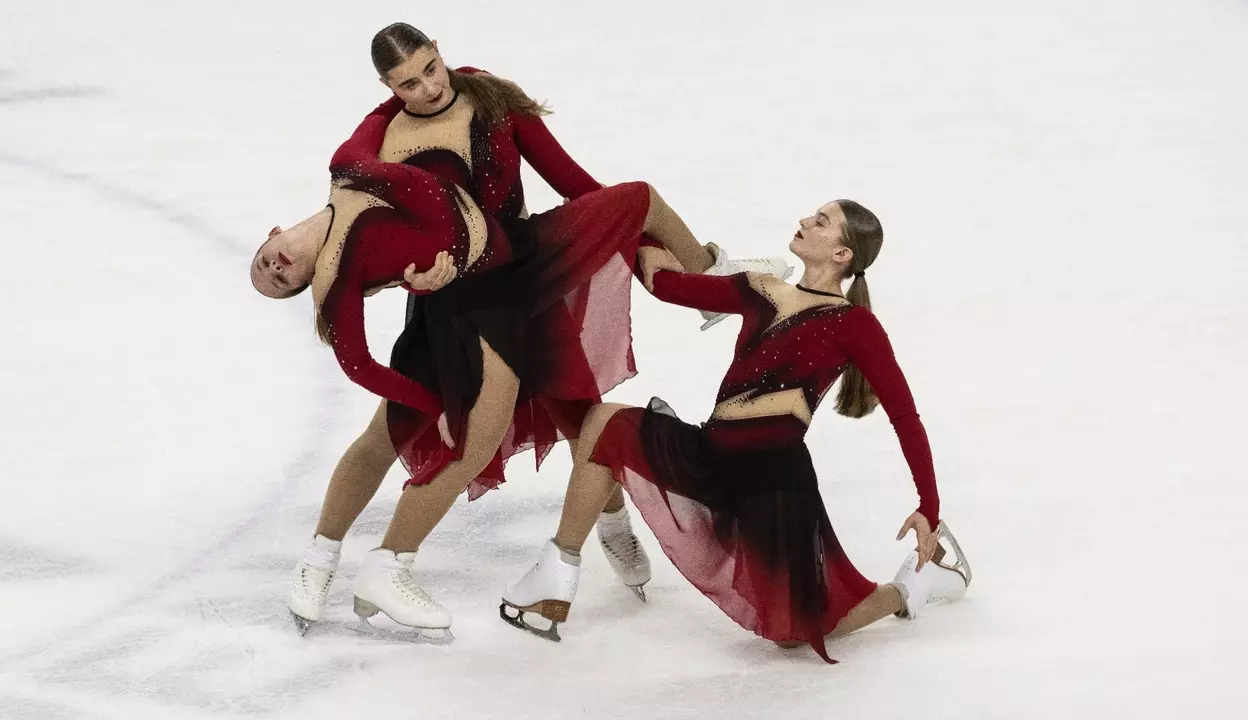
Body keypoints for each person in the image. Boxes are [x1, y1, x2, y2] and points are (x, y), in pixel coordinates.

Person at [251, 22, 792, 637]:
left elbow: (569, 179)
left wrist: (628, 238)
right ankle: (319, 558)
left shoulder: (490, 95)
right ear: (388, 88)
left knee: (583, 405)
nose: (428, 88)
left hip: (531, 261)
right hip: (461, 301)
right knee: (392, 434)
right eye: (408, 84)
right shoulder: (387, 146)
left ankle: (612, 519)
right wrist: (418, 281)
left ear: (440, 53)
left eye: (430, 69)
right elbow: (383, 252)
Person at [500, 200, 971, 661]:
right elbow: (666, 286)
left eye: (821, 221)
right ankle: (556, 573)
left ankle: (909, 587)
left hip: (772, 483)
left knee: (794, 634)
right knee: (604, 422)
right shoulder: (760, 288)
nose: (805, 220)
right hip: (710, 454)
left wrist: (928, 507)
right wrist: (638, 231)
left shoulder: (855, 324)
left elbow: (905, 417)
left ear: (842, 253)